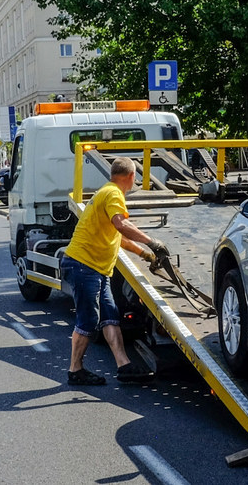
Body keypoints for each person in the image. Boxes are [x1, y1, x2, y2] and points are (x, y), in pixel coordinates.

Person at [61, 156, 166, 386]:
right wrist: (152, 242)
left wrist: (145, 255)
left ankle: (123, 365)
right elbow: (122, 224)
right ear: (132, 176)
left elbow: (117, 237)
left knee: (110, 317)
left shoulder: (106, 192)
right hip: (83, 265)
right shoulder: (113, 194)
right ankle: (75, 370)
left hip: (97, 269)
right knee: (88, 320)